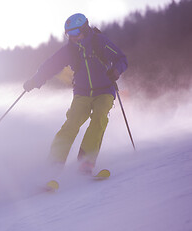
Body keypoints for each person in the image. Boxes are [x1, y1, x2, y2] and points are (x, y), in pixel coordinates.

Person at [23, 13, 128, 175]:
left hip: (105, 90)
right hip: (82, 93)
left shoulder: (99, 42)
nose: (72, 38)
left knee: (99, 117)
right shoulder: (69, 51)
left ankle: (86, 161)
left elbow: (121, 59)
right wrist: (35, 81)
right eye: (68, 34)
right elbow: (50, 66)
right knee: (71, 124)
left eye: (75, 33)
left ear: (84, 29)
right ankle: (54, 163)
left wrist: (116, 70)